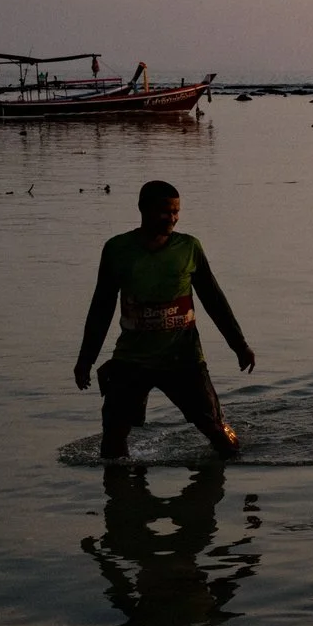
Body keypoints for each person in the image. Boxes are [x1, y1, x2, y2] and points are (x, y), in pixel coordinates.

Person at [75, 179, 256, 462]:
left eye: (176, 212)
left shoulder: (189, 248)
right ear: (143, 209)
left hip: (183, 359)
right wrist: (86, 360)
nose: (172, 218)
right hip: (132, 359)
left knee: (220, 435)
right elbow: (101, 308)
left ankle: (239, 465)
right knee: (113, 439)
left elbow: (214, 300)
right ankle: (121, 495)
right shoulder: (117, 250)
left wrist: (239, 345)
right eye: (165, 212)